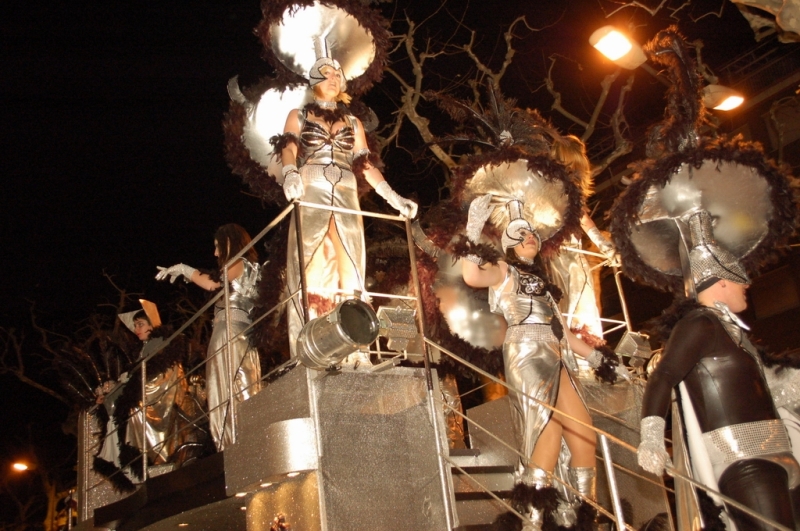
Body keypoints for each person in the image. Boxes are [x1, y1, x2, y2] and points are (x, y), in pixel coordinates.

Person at [460, 194, 623, 528]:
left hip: (557, 354)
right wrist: (474, 226)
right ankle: (534, 519)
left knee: (583, 434)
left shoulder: (548, 289)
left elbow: (565, 334)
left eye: (531, 233)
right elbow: (471, 276)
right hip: (526, 354)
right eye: (520, 235)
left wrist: (602, 361)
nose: (529, 237)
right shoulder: (504, 271)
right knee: (546, 429)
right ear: (508, 245)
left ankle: (582, 513)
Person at [637, 212, 799, 531]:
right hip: (745, 460)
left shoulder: (739, 337)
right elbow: (664, 375)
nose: (747, 285)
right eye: (740, 278)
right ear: (721, 279)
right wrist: (652, 437)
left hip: (782, 456)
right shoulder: (700, 323)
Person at [276, 53, 417, 362]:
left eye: (337, 73)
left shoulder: (352, 121)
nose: (334, 77)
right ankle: (308, 344)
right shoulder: (298, 115)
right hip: (311, 185)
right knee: (308, 261)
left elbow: (364, 163)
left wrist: (394, 198)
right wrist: (290, 173)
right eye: (326, 73)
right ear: (314, 80)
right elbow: (288, 148)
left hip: (346, 190)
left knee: (352, 263)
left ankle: (358, 349)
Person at [156, 223, 262, 451]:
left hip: (229, 331)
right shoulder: (253, 267)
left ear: (228, 243)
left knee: (222, 386)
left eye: (217, 246)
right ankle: (247, 442)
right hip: (244, 332)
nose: (215, 253)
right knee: (243, 383)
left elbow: (212, 283)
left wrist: (184, 268)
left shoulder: (238, 262)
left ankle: (232, 445)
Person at [548, 136, 617, 341]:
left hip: (558, 253)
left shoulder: (552, 182)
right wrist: (604, 245)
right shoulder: (562, 184)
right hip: (565, 256)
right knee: (577, 306)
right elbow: (581, 217)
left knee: (572, 306)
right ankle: (583, 352)